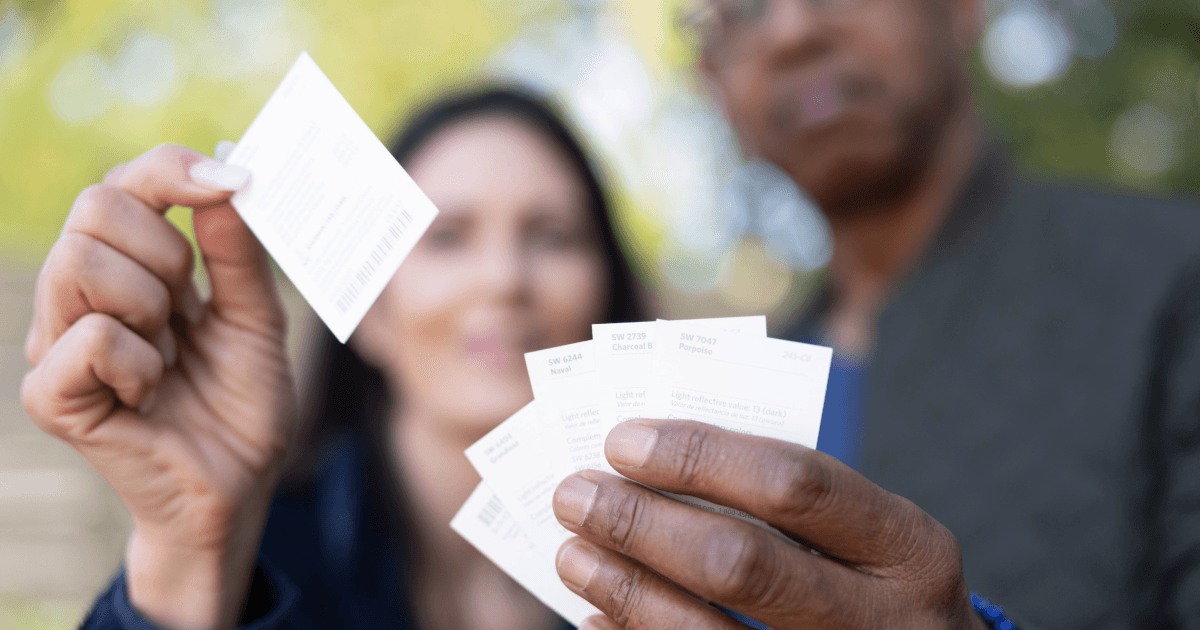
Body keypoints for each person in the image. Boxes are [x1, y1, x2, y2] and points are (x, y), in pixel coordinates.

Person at [537, 0, 1200, 628]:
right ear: (714, 81)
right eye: (743, 12)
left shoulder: (1172, 279)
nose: (791, 32)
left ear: (961, 8)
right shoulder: (730, 390)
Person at [22, 87, 644, 630]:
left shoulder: (687, 571)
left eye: (554, 235)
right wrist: (187, 551)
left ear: (608, 294)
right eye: (448, 237)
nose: (505, 279)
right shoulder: (258, 556)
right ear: (370, 312)